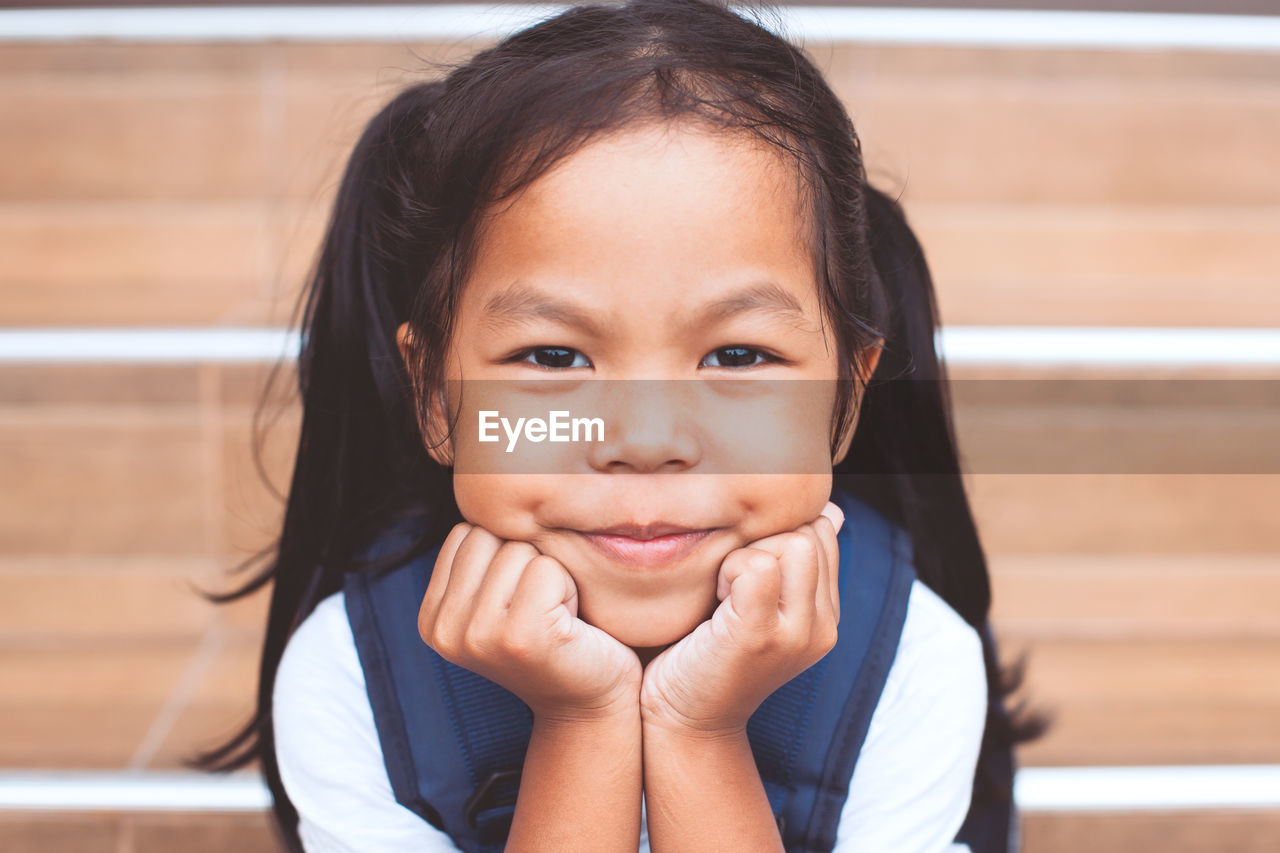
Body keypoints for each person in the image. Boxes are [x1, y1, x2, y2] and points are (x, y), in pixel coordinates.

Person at [188, 1, 1044, 850]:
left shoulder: (909, 661)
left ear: (845, 400)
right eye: (554, 358)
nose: (643, 439)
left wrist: (700, 732)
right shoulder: (354, 676)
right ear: (437, 399)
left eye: (738, 356)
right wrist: (579, 721)